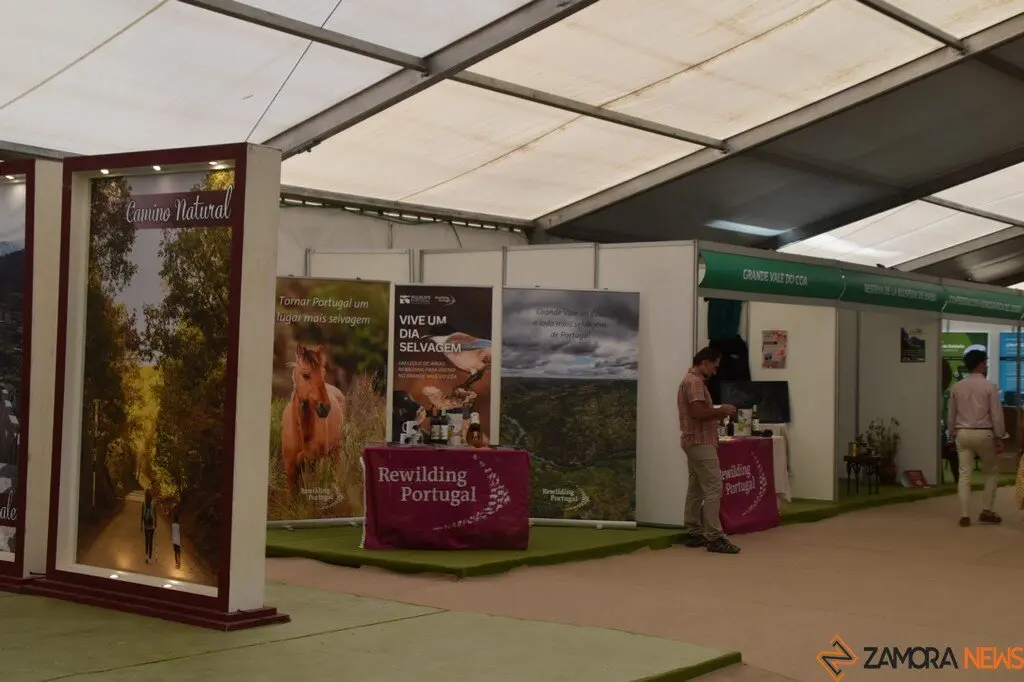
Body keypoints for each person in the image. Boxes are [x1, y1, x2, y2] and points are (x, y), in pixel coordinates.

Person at [678, 346, 740, 554]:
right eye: (715, 365)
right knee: (713, 487)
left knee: (696, 487)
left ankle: (693, 531)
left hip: (693, 440)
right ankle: (714, 537)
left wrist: (716, 414)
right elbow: (696, 412)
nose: (716, 370)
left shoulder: (690, 380)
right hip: (700, 441)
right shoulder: (694, 382)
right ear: (705, 362)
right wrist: (719, 411)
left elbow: (696, 412)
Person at [947, 349, 1005, 527]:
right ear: (980, 364)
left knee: (964, 474)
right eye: (985, 362)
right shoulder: (990, 386)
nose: (986, 365)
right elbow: (996, 414)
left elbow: (951, 415)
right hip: (984, 433)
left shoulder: (957, 387)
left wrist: (952, 433)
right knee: (991, 472)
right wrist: (1000, 436)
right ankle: (986, 510)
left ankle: (964, 514)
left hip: (962, 433)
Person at [141, 489, 156, 564]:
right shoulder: (153, 504)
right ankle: (150, 558)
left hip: (146, 524)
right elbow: (155, 515)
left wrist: (141, 525)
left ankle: (146, 556)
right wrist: (156, 524)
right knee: (151, 542)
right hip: (152, 525)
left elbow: (142, 515)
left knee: (147, 541)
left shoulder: (143, 504)